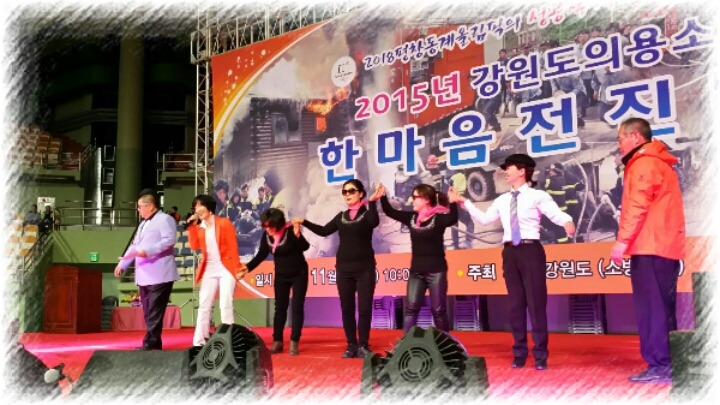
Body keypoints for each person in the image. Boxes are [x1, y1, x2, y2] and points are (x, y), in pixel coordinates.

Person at [449, 154, 574, 371]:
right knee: (516, 306)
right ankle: (519, 352)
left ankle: (540, 355)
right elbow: (485, 219)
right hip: (509, 253)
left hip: (531, 251)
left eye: (509, 168)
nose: (505, 171)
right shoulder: (502, 200)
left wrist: (567, 221)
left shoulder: (537, 195)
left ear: (522, 171)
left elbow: (554, 213)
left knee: (536, 305)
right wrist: (464, 202)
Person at [610, 118, 685, 384]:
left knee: (652, 310)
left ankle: (660, 366)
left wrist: (622, 242)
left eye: (620, 138)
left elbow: (637, 205)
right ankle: (668, 364)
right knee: (662, 309)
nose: (619, 145)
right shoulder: (659, 162)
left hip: (650, 248)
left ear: (635, 136)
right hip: (663, 248)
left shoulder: (643, 163)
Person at [293, 179, 382, 358]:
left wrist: (373, 202)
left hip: (365, 269)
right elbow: (324, 231)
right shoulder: (341, 217)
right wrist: (304, 222)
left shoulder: (367, 215)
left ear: (361, 194)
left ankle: (363, 345)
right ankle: (351, 345)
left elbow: (374, 222)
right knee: (347, 309)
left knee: (364, 309)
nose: (347, 194)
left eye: (351, 191)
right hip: (344, 270)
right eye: (344, 192)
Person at [378, 183, 458, 333]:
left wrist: (453, 201)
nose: (412, 200)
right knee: (411, 308)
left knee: (438, 310)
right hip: (416, 272)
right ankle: (406, 342)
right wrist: (382, 195)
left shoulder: (439, 218)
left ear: (426, 199)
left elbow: (452, 218)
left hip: (436, 272)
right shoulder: (412, 218)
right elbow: (389, 211)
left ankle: (445, 343)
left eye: (415, 197)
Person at [115, 189, 179, 350]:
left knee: (154, 310)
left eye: (140, 207)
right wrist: (122, 264)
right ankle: (154, 343)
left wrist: (148, 251)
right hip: (144, 274)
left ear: (150, 205)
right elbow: (134, 246)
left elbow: (169, 240)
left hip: (160, 273)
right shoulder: (143, 224)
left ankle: (150, 343)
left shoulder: (165, 219)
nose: (138, 210)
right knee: (148, 311)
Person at [242, 208, 310, 356]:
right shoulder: (266, 235)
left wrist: (298, 236)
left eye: (271, 226)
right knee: (280, 308)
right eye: (265, 226)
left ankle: (294, 341)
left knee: (297, 307)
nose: (268, 229)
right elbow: (261, 254)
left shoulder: (290, 230)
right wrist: (247, 268)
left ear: (279, 224)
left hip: (299, 274)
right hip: (281, 276)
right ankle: (277, 341)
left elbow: (305, 246)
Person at [185, 194, 243, 347]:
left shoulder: (224, 223)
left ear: (209, 207)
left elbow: (233, 247)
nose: (197, 209)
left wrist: (237, 268)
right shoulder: (199, 228)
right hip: (209, 269)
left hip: (226, 268)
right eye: (195, 207)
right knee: (204, 305)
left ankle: (228, 341)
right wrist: (191, 227)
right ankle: (199, 341)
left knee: (225, 303)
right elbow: (194, 246)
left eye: (200, 205)